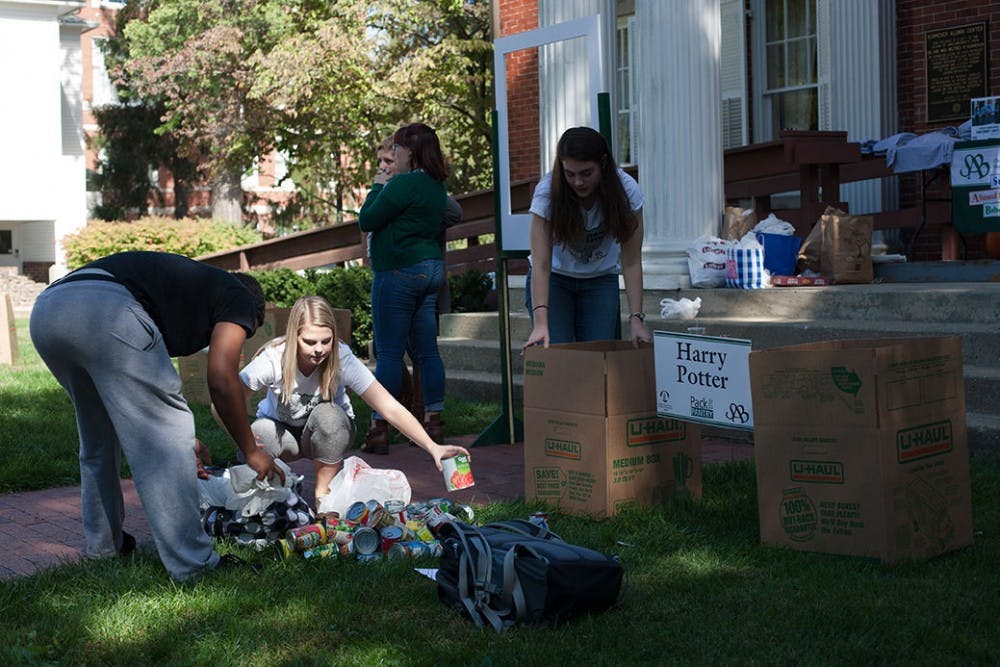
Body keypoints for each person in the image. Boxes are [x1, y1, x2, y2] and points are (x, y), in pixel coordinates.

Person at [29, 251, 283, 581]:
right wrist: (251, 450)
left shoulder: (190, 293)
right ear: (253, 313)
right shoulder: (239, 297)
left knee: (98, 438)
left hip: (49, 311)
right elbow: (222, 377)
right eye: (246, 332)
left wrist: (178, 438)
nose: (239, 338)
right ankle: (193, 564)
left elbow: (141, 398)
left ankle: (105, 548)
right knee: (166, 435)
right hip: (106, 309)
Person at [234, 295, 469, 504]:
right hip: (282, 436)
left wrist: (432, 446)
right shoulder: (275, 357)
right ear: (294, 336)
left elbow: (388, 406)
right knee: (258, 431)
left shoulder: (341, 357)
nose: (319, 350)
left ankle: (325, 498)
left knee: (329, 416)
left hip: (329, 433)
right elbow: (225, 402)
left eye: (326, 341)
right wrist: (249, 444)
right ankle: (266, 499)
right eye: (310, 342)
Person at [358, 123, 451, 453]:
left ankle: (379, 428)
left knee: (389, 353)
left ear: (410, 152)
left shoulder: (403, 185)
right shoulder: (435, 185)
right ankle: (433, 422)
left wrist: (377, 186)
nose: (392, 156)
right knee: (427, 351)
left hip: (396, 272)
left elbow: (367, 219)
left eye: (396, 149)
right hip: (430, 271)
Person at [522, 126, 650, 349]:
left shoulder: (627, 192)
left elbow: (631, 262)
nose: (578, 182)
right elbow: (541, 264)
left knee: (596, 360)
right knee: (557, 356)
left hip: (600, 280)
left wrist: (636, 319)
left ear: (603, 164)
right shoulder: (547, 193)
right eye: (570, 174)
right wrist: (541, 324)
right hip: (554, 279)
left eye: (586, 173)